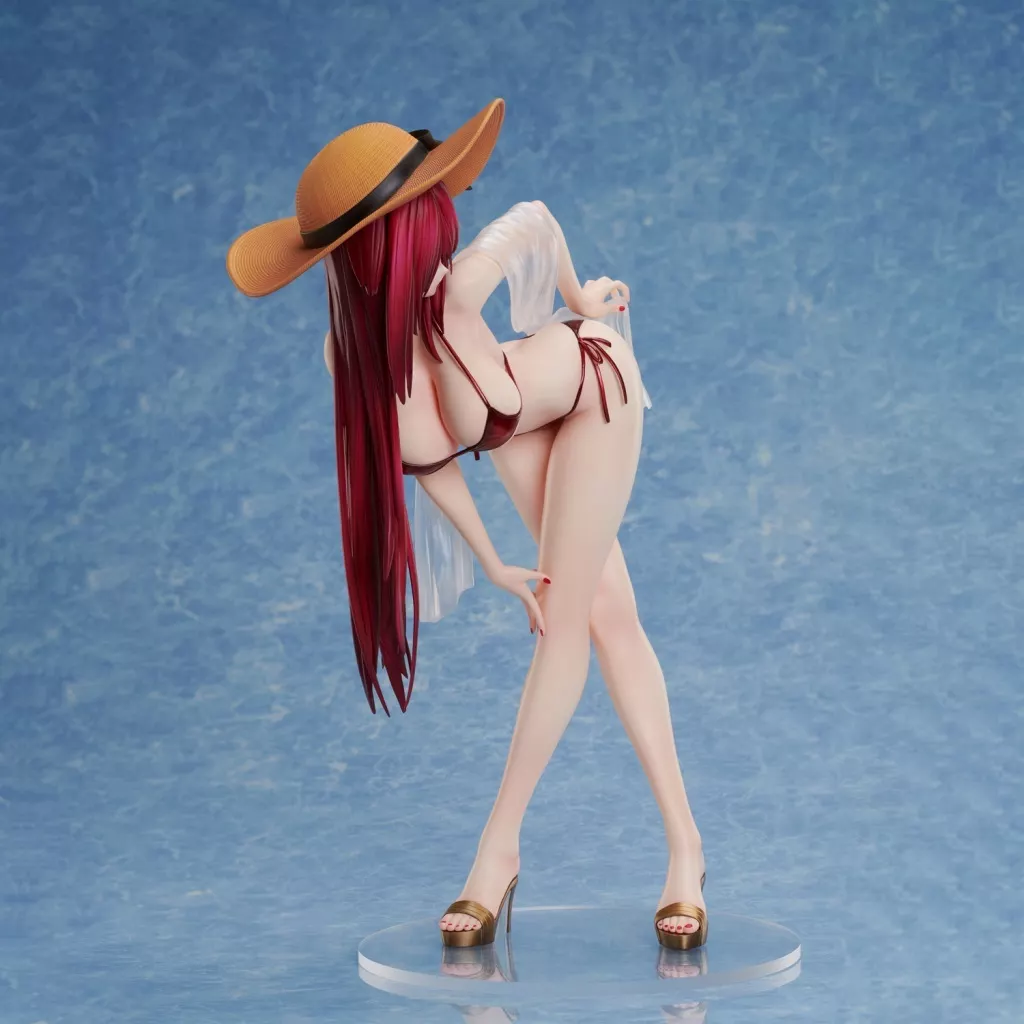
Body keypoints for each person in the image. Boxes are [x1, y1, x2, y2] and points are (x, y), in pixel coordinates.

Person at [226, 98, 706, 949]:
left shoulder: (461, 291)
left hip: (593, 387)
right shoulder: (351, 355)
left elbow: (536, 219)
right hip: (516, 424)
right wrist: (490, 562)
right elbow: (432, 460)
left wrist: (580, 299)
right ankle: (688, 852)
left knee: (566, 624)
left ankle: (498, 851)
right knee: (610, 618)